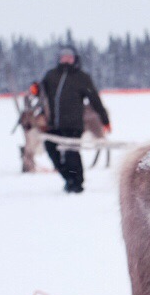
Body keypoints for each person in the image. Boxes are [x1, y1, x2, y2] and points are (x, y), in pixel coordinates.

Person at [39, 46, 110, 193]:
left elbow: (94, 99)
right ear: (59, 58)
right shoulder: (51, 75)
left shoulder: (81, 78)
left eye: (69, 56)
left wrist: (105, 119)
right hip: (53, 124)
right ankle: (68, 178)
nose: (66, 59)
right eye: (63, 56)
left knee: (72, 153)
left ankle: (77, 183)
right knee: (51, 149)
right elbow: (41, 92)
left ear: (74, 59)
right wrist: (35, 88)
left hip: (73, 124)